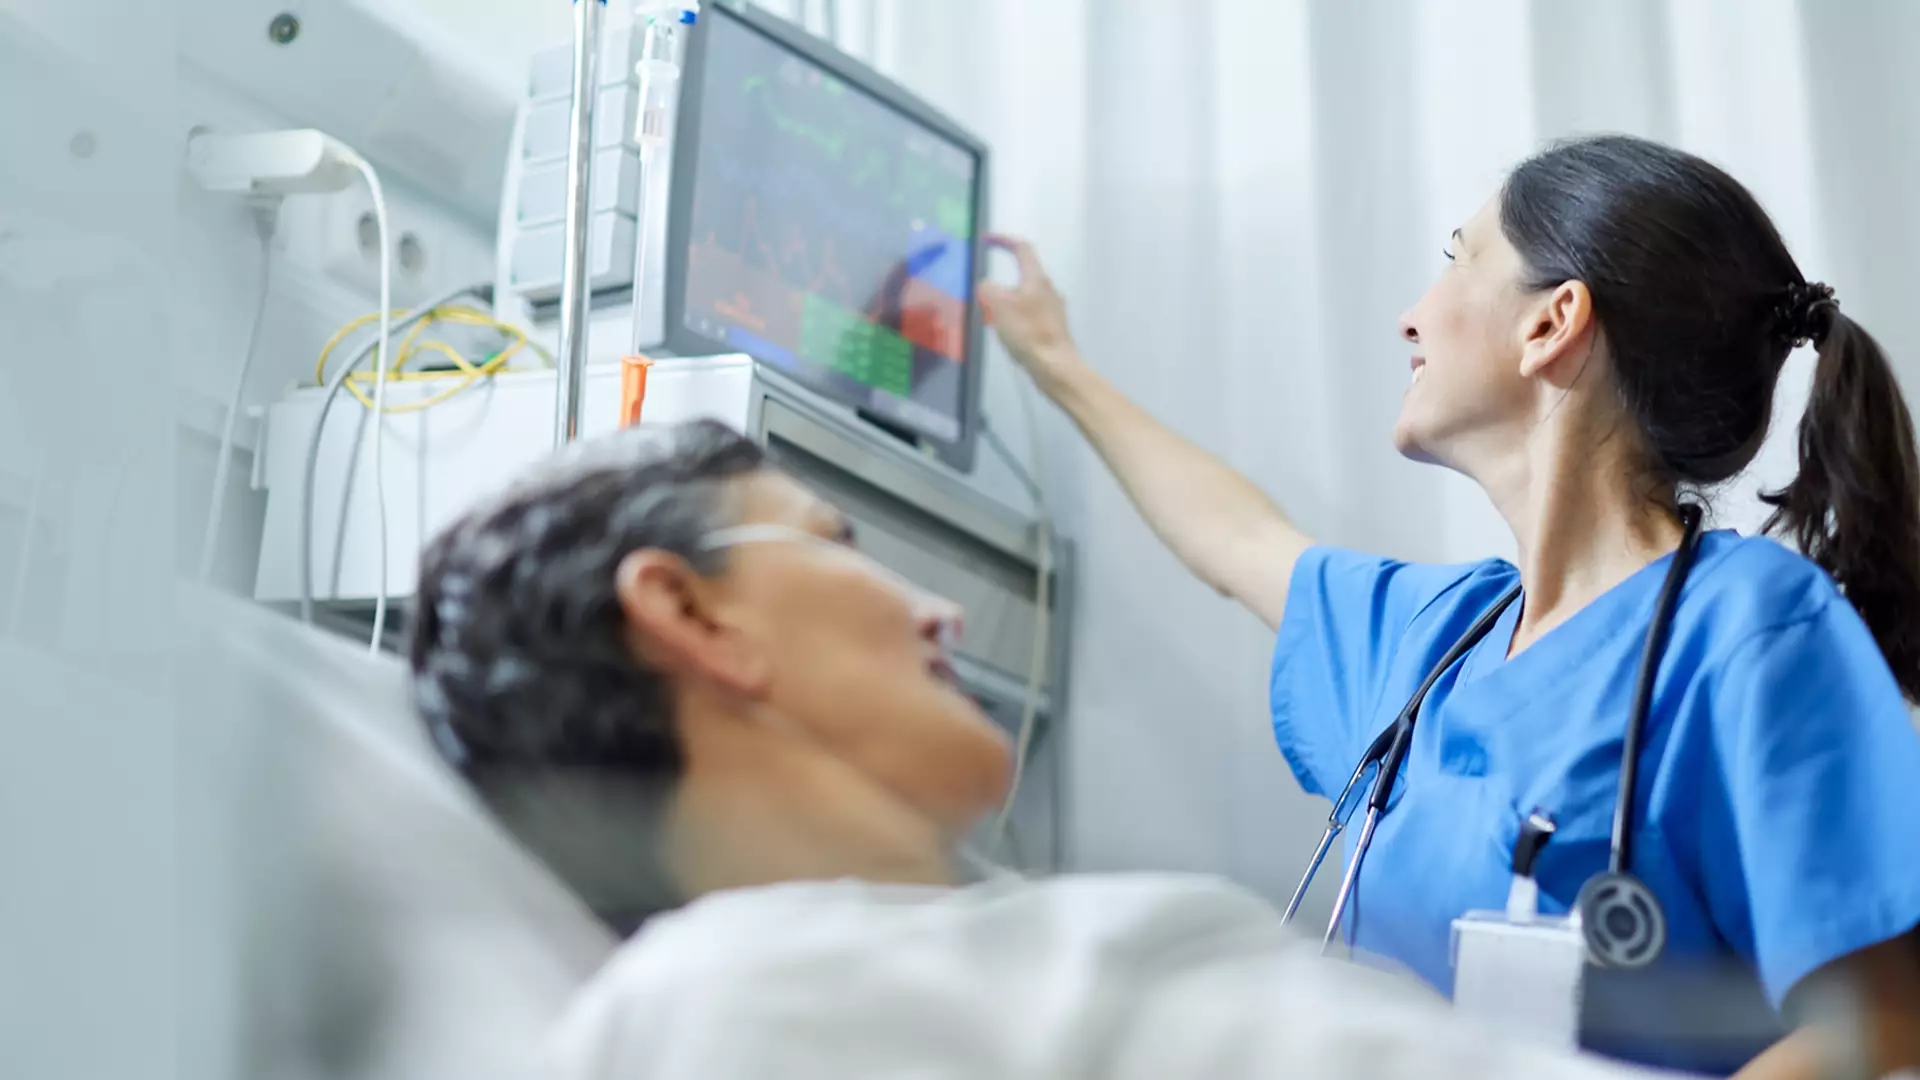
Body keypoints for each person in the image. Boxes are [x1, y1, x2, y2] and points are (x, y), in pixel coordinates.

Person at [978, 133, 1920, 1078]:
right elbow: (1237, 541)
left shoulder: (1747, 626)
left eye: (1456, 260)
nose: (1410, 319)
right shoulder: (1435, 640)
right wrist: (1056, 362)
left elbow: (1881, 1021)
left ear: (1551, 323)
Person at [407, 420, 1648, 1080]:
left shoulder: (954, 951)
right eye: (833, 541)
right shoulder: (736, 1003)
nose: (935, 609)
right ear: (690, 614)